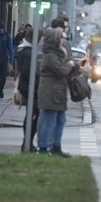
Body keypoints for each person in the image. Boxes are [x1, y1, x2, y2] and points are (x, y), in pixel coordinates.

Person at [36, 26, 73, 157]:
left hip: (56, 92)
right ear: (54, 40)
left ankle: (56, 146)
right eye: (60, 38)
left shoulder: (56, 53)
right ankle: (43, 147)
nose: (62, 40)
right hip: (50, 92)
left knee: (60, 120)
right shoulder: (51, 55)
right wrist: (70, 65)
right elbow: (61, 71)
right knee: (49, 120)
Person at [15, 26, 38, 152]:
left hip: (26, 87)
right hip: (30, 88)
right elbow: (27, 71)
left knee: (31, 114)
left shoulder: (24, 50)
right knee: (33, 115)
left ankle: (27, 142)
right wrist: (38, 76)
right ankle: (27, 142)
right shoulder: (29, 53)